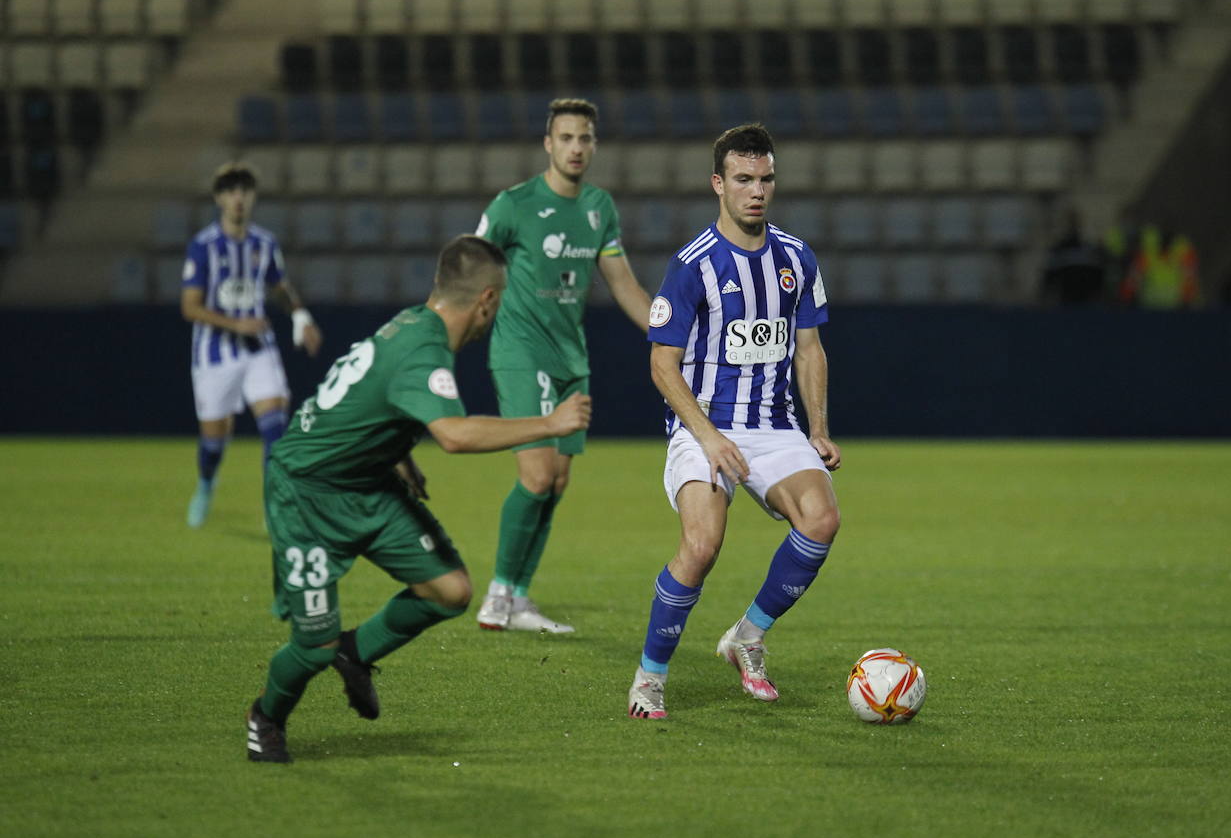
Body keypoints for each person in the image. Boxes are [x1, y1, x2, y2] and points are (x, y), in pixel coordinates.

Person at [245, 235, 592, 763]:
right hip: (308, 495)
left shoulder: (413, 323)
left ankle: (355, 652)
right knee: (311, 644)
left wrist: (397, 451)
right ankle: (266, 717)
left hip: (368, 479)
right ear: (488, 301)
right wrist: (549, 423)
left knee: (450, 590)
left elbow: (372, 395)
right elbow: (453, 435)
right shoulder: (424, 349)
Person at [627, 123, 842, 720]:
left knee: (822, 519)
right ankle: (650, 675)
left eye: (766, 178)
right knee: (701, 545)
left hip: (773, 425)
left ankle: (747, 636)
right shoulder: (692, 266)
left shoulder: (795, 258)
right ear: (718, 183)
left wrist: (817, 428)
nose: (757, 190)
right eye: (744, 179)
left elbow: (809, 349)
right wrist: (707, 437)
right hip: (703, 424)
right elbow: (661, 365)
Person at [472, 97, 652, 634]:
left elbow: (623, 284)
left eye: (585, 139)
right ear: (548, 144)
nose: (576, 148)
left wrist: (671, 338)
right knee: (536, 473)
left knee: (558, 481)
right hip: (519, 350)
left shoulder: (599, 207)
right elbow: (470, 265)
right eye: (566, 138)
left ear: (594, 146)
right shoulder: (514, 204)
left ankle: (521, 598)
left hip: (570, 356)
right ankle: (498, 592)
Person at [181, 161, 323, 527]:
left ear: (253, 196)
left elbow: (279, 286)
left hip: (259, 350)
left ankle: (273, 506)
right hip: (214, 354)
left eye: (244, 190)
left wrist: (301, 316)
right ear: (218, 198)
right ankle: (206, 483)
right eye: (230, 191)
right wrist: (235, 323)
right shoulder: (203, 246)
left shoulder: (265, 242)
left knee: (274, 426)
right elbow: (190, 307)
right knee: (214, 441)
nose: (238, 198)